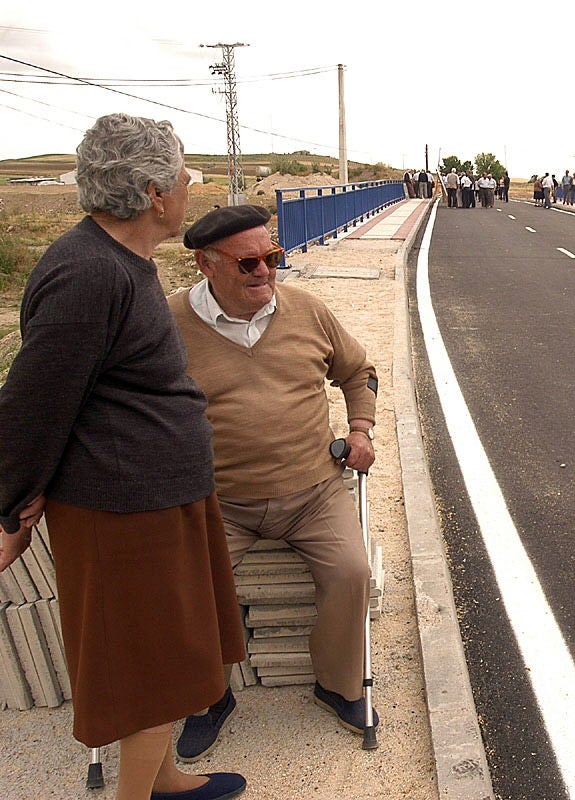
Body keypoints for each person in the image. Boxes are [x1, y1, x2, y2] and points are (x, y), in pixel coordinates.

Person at [0, 113, 246, 800]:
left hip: (156, 494)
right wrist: (13, 508)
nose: (191, 189)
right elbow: (35, 400)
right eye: (185, 177)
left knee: (175, 659)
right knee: (152, 672)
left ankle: (162, 779)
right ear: (153, 191)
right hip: (123, 507)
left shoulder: (119, 262)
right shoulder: (86, 273)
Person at [167, 205, 380, 762]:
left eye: (273, 257)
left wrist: (360, 429)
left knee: (353, 572)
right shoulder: (167, 326)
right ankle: (208, 698)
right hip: (221, 502)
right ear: (205, 264)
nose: (264, 271)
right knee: (184, 586)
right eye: (248, 263)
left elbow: (358, 372)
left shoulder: (307, 310)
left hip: (313, 491)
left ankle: (337, 685)